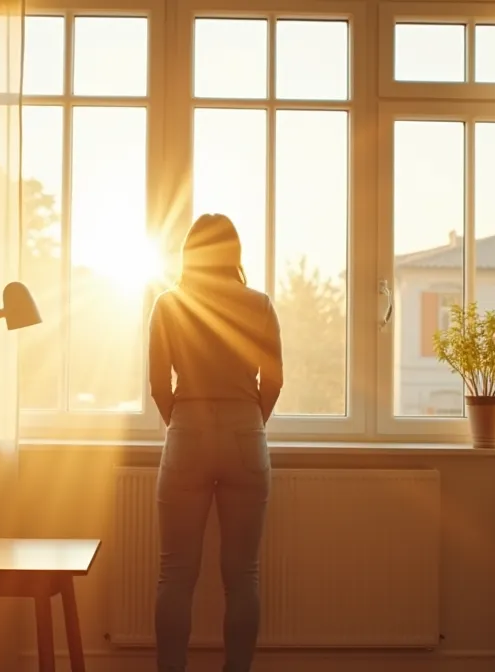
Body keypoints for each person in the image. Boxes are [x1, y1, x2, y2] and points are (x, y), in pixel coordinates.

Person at [148, 213, 284, 672]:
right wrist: (248, 422)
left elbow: (157, 385)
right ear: (234, 253)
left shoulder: (169, 304)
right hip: (246, 431)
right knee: (242, 577)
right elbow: (275, 379)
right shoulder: (259, 304)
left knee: (176, 574)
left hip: (187, 430)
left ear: (190, 253)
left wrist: (183, 424)